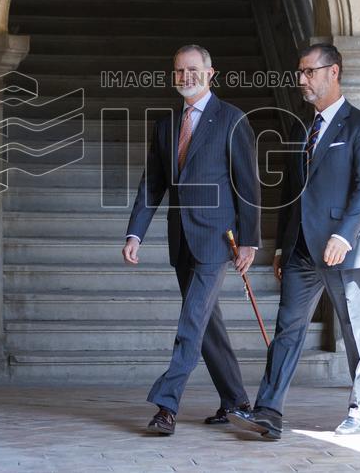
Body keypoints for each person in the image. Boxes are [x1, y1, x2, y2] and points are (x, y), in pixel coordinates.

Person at [229, 43, 360, 439]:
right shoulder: (300, 127)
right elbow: (291, 191)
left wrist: (344, 234)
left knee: (356, 332)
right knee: (287, 329)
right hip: (301, 248)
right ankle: (268, 411)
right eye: (299, 73)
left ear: (333, 72)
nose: (301, 80)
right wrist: (283, 245)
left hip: (344, 249)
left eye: (309, 72)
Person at [123, 44, 261, 435]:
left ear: (210, 73)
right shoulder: (167, 124)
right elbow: (152, 184)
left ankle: (167, 405)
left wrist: (250, 239)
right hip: (180, 239)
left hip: (218, 240)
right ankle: (236, 400)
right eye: (179, 70)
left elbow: (248, 185)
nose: (186, 77)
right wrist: (136, 232)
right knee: (206, 323)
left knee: (191, 321)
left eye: (193, 70)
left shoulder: (231, 119)